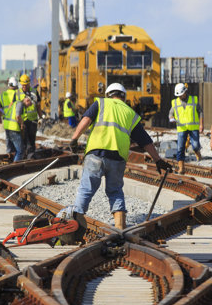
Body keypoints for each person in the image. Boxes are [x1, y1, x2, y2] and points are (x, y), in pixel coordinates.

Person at [69, 83, 172, 229]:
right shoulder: (130, 113)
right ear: (123, 97)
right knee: (115, 191)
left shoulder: (101, 103)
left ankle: (75, 225)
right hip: (118, 158)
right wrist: (158, 160)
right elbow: (145, 140)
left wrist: (74, 139)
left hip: (96, 154)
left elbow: (86, 120)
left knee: (86, 189)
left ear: (108, 94)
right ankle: (120, 227)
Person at [169, 83, 203, 174]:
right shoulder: (175, 102)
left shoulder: (194, 99)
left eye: (181, 94)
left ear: (185, 92)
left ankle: (197, 152)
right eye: (178, 95)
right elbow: (170, 114)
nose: (180, 96)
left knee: (195, 145)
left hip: (193, 127)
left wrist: (201, 124)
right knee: (180, 148)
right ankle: (181, 168)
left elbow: (200, 112)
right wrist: (171, 118)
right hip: (181, 128)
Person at [18, 74, 44, 159]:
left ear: (29, 84)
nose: (24, 87)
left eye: (25, 85)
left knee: (32, 139)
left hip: (33, 120)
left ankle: (30, 155)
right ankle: (29, 155)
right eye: (23, 85)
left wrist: (40, 117)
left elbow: (38, 105)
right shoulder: (18, 93)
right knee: (26, 139)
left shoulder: (34, 92)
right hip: (23, 120)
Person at [0, 77, 19, 156]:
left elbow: (0, 108)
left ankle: (9, 155)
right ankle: (16, 158)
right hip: (14, 121)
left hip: (6, 121)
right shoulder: (17, 94)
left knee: (8, 140)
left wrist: (0, 117)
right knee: (17, 142)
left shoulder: (3, 95)